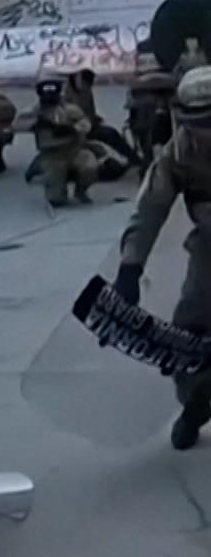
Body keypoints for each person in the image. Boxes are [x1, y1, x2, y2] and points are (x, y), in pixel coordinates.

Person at [115, 67, 211, 450]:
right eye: (198, 123)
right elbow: (150, 207)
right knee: (188, 332)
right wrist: (131, 266)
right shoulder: (178, 154)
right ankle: (195, 405)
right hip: (209, 246)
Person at [26, 76, 97, 206]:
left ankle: (80, 191)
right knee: (56, 199)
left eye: (52, 93)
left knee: (90, 166)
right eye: (46, 94)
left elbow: (86, 125)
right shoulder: (35, 111)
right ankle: (40, 168)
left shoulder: (70, 109)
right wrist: (36, 123)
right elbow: (16, 124)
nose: (49, 97)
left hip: (74, 151)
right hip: (51, 155)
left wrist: (71, 129)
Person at [128, 52, 178, 170]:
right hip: (159, 126)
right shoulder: (169, 82)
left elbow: (131, 111)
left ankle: (148, 163)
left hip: (146, 125)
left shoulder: (136, 86)